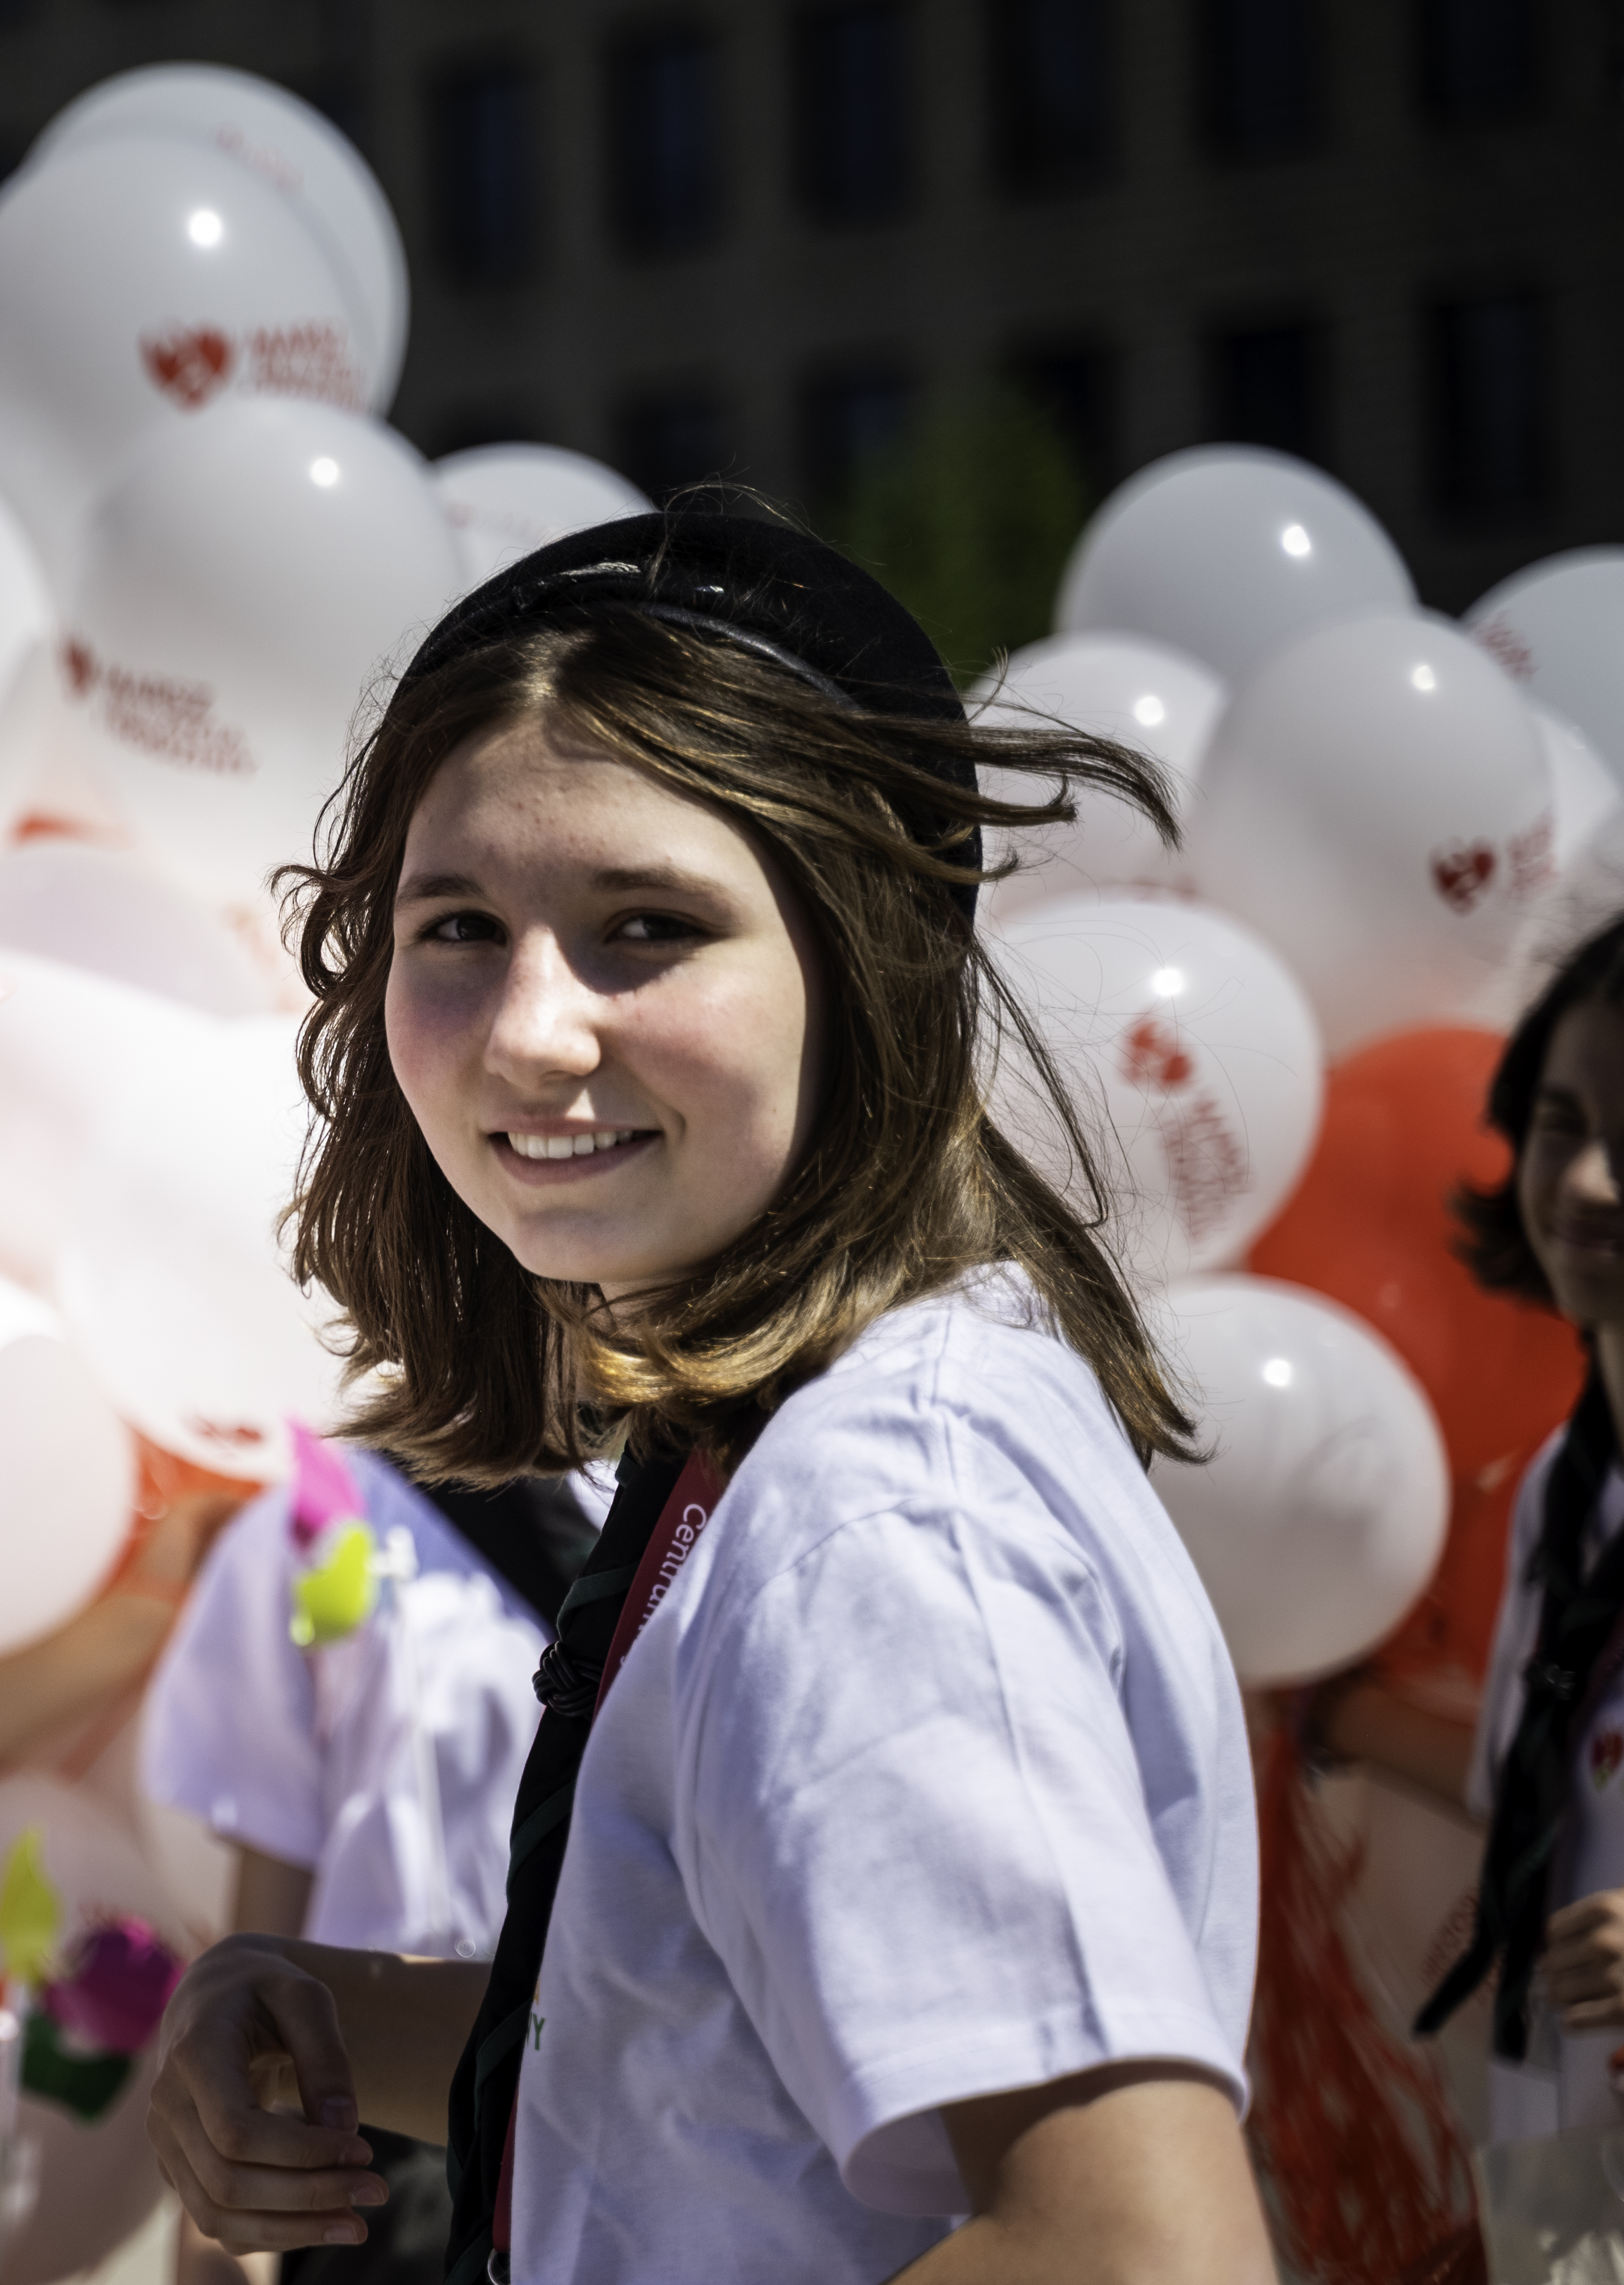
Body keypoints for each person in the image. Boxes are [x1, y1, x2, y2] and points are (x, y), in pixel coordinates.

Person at [141, 513, 1272, 2283]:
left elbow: (1135, 2255)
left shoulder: (877, 1502)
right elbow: (705, 2085)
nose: (529, 1032)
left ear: (867, 951)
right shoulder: (790, 1438)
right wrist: (309, 2005)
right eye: (458, 927)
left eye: (645, 928)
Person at [139, 1445, 599, 2284]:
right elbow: (263, 1953)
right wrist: (215, 2248)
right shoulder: (329, 1517)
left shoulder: (710, 1495)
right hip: (389, 2145)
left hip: (636, 2124)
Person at [1416, 914, 1624, 2150]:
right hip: (1558, 2166)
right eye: (1561, 1126)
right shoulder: (1564, 1482)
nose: (1591, 1180)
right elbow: (1533, 1785)